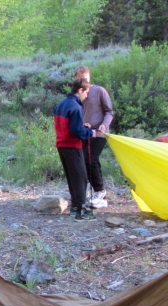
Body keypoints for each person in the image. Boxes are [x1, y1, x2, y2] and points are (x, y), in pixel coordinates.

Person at [54, 78, 98, 220]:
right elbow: (76, 131)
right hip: (72, 146)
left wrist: (81, 126)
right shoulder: (75, 106)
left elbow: (68, 126)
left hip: (61, 145)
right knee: (81, 177)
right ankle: (80, 210)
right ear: (80, 90)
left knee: (72, 177)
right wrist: (91, 133)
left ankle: (75, 207)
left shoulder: (61, 104)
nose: (86, 96)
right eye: (86, 92)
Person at [74, 66, 114, 209]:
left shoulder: (99, 91)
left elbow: (109, 111)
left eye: (85, 77)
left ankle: (100, 190)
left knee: (90, 159)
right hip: (84, 132)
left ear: (89, 77)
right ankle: (93, 193)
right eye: (80, 77)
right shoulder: (77, 94)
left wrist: (104, 125)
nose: (83, 80)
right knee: (83, 162)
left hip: (99, 132)